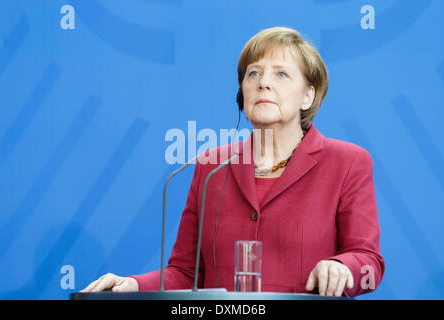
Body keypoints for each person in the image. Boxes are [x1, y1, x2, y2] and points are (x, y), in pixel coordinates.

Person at [81, 27, 385, 297]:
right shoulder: (211, 165)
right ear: (242, 95)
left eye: (281, 73)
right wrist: (132, 285)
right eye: (254, 73)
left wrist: (343, 267)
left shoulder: (347, 162)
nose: (264, 82)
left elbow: (369, 261)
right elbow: (187, 273)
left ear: (308, 96)